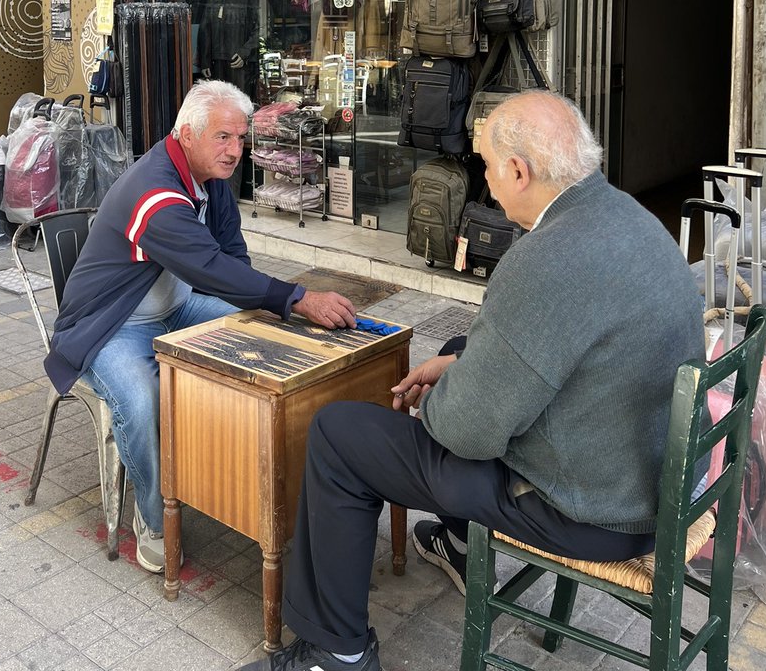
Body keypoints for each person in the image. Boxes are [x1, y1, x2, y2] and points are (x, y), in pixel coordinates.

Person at [238, 91, 705, 671]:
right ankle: (459, 545)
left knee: (339, 436)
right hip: (650, 476)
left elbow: (467, 434)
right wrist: (462, 366)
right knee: (463, 348)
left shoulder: (547, 258)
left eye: (486, 165)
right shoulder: (628, 215)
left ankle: (336, 650)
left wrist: (447, 397)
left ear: (518, 170)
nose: (485, 180)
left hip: (595, 513)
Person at [44, 79, 355, 573]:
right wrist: (296, 297)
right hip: (113, 324)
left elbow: (232, 254)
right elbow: (210, 266)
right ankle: (152, 517)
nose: (235, 151)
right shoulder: (155, 191)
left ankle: (234, 476)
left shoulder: (208, 175)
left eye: (241, 138)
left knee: (259, 336)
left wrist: (261, 305)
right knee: (142, 401)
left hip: (177, 308)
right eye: (223, 138)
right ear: (187, 134)